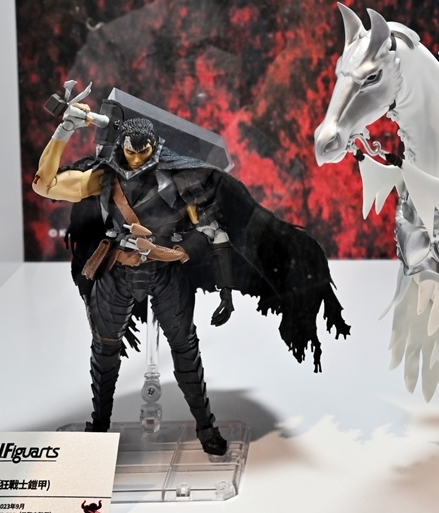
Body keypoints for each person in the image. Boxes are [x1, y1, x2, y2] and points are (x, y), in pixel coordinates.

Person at [34, 104, 348, 455]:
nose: (135, 159)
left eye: (142, 151)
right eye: (129, 151)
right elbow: (45, 184)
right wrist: (64, 129)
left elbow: (213, 234)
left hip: (166, 272)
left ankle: (205, 427)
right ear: (121, 146)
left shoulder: (180, 179)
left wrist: (218, 286)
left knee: (185, 350)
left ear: (153, 146)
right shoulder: (104, 177)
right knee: (105, 350)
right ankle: (100, 425)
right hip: (118, 271)